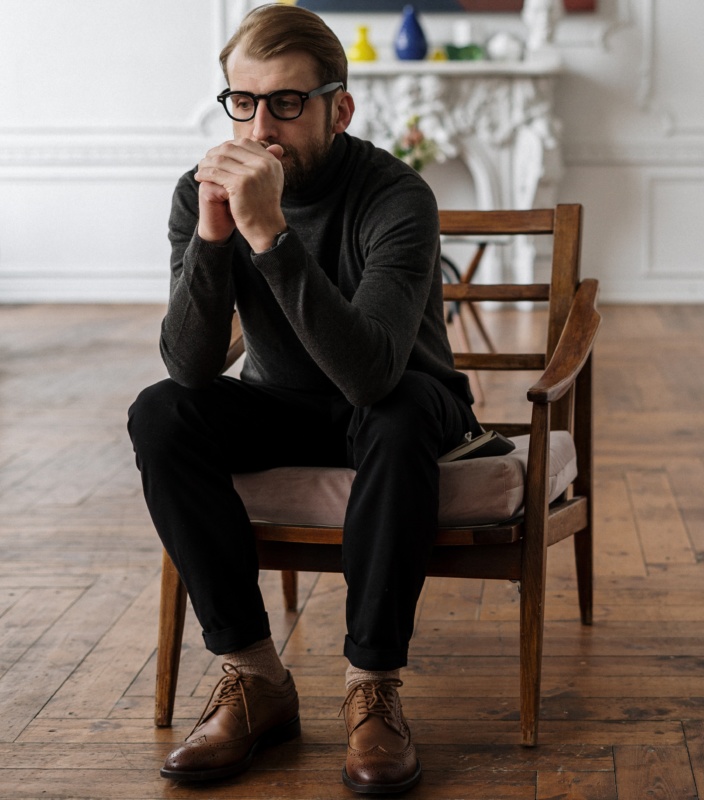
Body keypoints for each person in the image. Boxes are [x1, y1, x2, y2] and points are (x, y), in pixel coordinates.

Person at [127, 4, 478, 794]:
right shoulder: (203, 191)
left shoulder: (398, 197)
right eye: (243, 102)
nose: (261, 128)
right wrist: (216, 237)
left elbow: (371, 376)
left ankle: (373, 687)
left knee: (394, 414)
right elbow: (189, 367)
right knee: (161, 410)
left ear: (339, 107)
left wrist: (271, 237)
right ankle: (255, 679)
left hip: (401, 403)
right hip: (285, 404)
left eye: (287, 102)